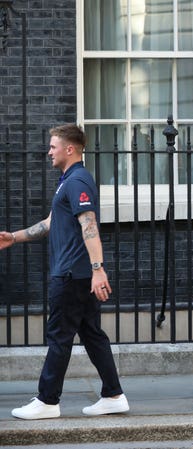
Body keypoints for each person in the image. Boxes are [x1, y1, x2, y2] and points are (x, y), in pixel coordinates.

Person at [0, 124, 129, 420]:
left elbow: (90, 225)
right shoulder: (69, 180)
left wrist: (98, 269)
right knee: (92, 335)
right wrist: (14, 237)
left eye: (53, 146)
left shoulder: (77, 181)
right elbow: (50, 222)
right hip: (77, 274)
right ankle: (113, 394)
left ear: (69, 149)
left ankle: (47, 400)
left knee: (59, 336)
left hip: (72, 274)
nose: (49, 151)